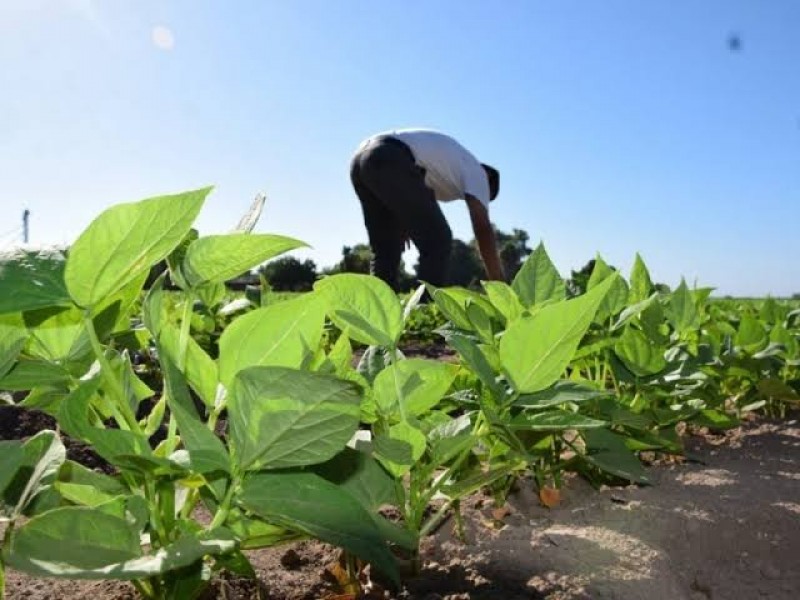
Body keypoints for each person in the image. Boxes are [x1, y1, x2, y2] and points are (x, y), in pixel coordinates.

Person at [350, 128, 504, 291]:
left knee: (386, 249)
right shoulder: (479, 173)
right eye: (485, 196)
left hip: (361, 160)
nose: (482, 199)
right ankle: (424, 308)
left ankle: (376, 313)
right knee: (438, 240)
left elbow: (410, 191)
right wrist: (499, 285)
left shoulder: (450, 168)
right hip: (390, 155)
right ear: (488, 180)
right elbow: (483, 229)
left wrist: (403, 222)